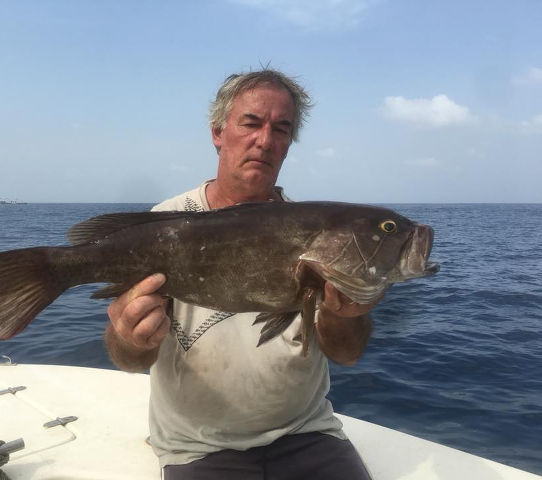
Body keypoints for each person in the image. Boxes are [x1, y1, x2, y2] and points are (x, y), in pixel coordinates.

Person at [104, 69, 382, 479]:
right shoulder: (162, 224)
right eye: (251, 123)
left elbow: (347, 354)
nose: (265, 140)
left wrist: (344, 315)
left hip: (308, 434)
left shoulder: (325, 238)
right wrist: (130, 337)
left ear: (289, 143)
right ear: (218, 132)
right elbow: (127, 359)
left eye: (281, 129)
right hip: (198, 447)